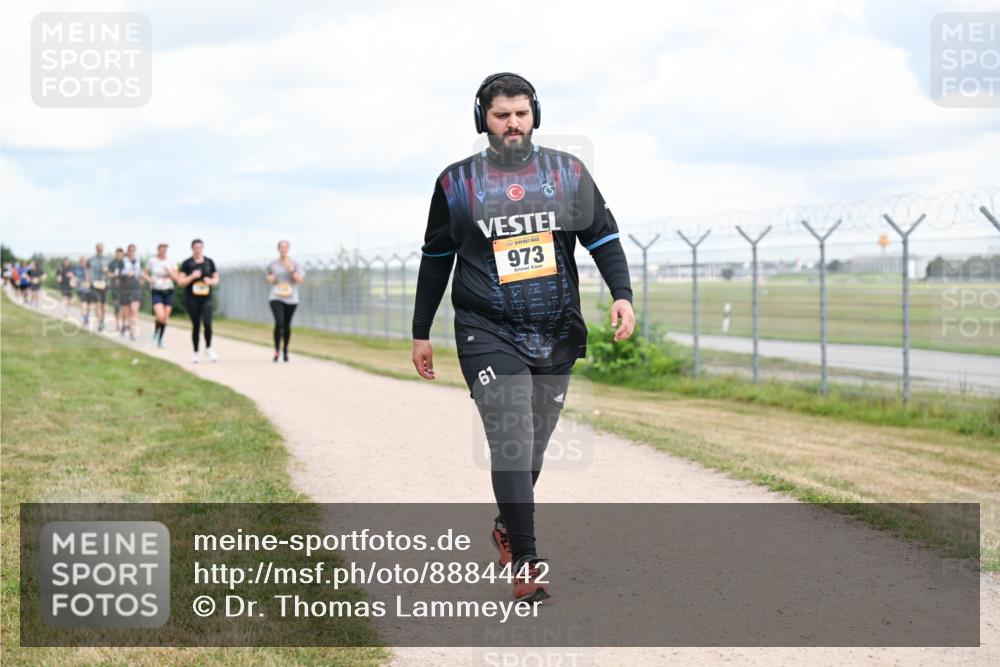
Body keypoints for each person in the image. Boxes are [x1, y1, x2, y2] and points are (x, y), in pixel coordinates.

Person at [411, 73, 635, 604]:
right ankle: (528, 560)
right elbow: (436, 259)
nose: (513, 124)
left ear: (535, 114)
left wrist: (621, 294)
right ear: (481, 120)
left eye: (521, 114)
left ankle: (508, 525)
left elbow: (602, 238)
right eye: (500, 115)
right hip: (485, 328)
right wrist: (421, 331)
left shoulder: (568, 173)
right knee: (511, 429)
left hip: (555, 328)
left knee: (534, 439)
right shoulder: (456, 184)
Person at [177, 239, 220, 363]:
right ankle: (195, 352)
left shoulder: (209, 262)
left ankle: (209, 348)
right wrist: (192, 276)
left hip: (206, 298)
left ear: (202, 248)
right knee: (196, 325)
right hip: (192, 298)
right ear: (192, 249)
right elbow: (180, 282)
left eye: (200, 247)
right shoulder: (186, 263)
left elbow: (216, 279)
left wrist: (210, 281)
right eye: (195, 247)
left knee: (207, 323)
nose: (198, 250)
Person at [265, 240, 305, 363]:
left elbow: (300, 280)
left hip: (291, 298)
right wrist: (270, 278)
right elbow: (268, 277)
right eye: (281, 247)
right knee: (279, 322)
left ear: (288, 249)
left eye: (285, 247)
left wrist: (292, 270)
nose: (283, 249)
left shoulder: (295, 264)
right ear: (278, 249)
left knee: (287, 325)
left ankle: (285, 350)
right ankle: (277, 350)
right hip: (276, 296)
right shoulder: (273, 264)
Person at [143, 243, 177, 348]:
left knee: (165, 317)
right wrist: (149, 279)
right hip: (157, 290)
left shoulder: (171, 261)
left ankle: (160, 338)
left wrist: (169, 272)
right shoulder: (152, 261)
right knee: (160, 315)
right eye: (162, 249)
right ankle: (155, 332)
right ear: (158, 249)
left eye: (165, 249)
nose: (164, 251)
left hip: (168, 290)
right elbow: (143, 273)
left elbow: (176, 276)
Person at [119, 244, 143, 341]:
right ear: (128, 251)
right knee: (126, 311)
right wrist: (126, 275)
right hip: (125, 287)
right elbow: (118, 275)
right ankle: (125, 325)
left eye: (133, 250)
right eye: (130, 250)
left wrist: (142, 279)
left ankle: (133, 332)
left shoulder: (138, 261)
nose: (132, 252)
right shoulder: (122, 262)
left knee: (134, 310)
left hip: (135, 287)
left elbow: (141, 273)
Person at [87, 243, 112, 331]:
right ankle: (99, 323)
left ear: (103, 249)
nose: (100, 250)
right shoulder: (91, 260)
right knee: (97, 303)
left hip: (105, 284)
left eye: (101, 248)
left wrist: (107, 270)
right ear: (96, 249)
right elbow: (87, 270)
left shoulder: (108, 260)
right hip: (94, 284)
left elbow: (111, 271)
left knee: (104, 305)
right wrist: (88, 279)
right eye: (98, 248)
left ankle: (102, 320)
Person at [107, 247, 127, 336]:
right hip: (115, 288)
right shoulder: (112, 263)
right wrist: (115, 276)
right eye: (118, 254)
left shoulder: (126, 263)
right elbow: (108, 273)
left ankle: (122, 324)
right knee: (117, 307)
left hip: (124, 288)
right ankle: (118, 324)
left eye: (121, 254)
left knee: (123, 307)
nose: (119, 256)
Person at [75, 256, 92, 326]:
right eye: (81, 261)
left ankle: (87, 317)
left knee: (89, 305)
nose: (83, 263)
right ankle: (85, 318)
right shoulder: (78, 269)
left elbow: (89, 278)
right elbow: (80, 278)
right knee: (83, 304)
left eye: (84, 261)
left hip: (90, 290)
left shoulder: (90, 269)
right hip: (82, 290)